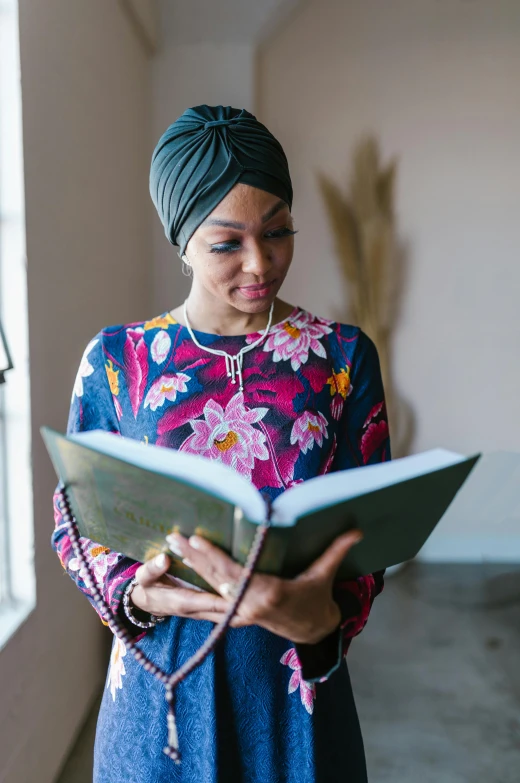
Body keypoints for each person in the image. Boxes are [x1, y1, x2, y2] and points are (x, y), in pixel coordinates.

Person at [51, 104, 391, 783]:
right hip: (160, 692)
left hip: (297, 690)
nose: (260, 264)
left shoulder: (341, 356)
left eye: (279, 231)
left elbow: (371, 532)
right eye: (226, 243)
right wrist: (137, 593)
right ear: (182, 241)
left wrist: (323, 614)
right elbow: (75, 520)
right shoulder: (120, 361)